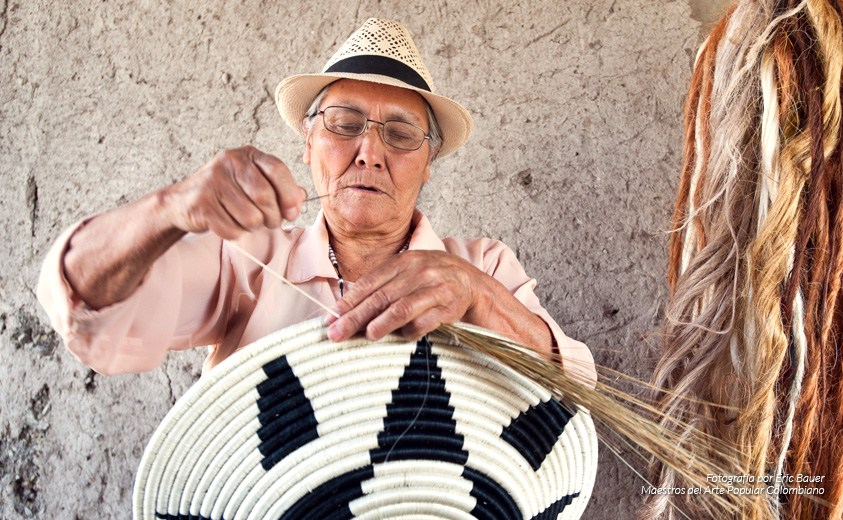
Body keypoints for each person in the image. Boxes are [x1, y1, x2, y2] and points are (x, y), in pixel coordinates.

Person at [36, 18, 595, 384]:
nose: (369, 152)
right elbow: (91, 308)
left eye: (400, 134)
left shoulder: (483, 266)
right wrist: (170, 208)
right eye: (344, 124)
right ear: (308, 145)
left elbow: (574, 388)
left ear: (428, 163)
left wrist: (475, 296)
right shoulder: (246, 262)